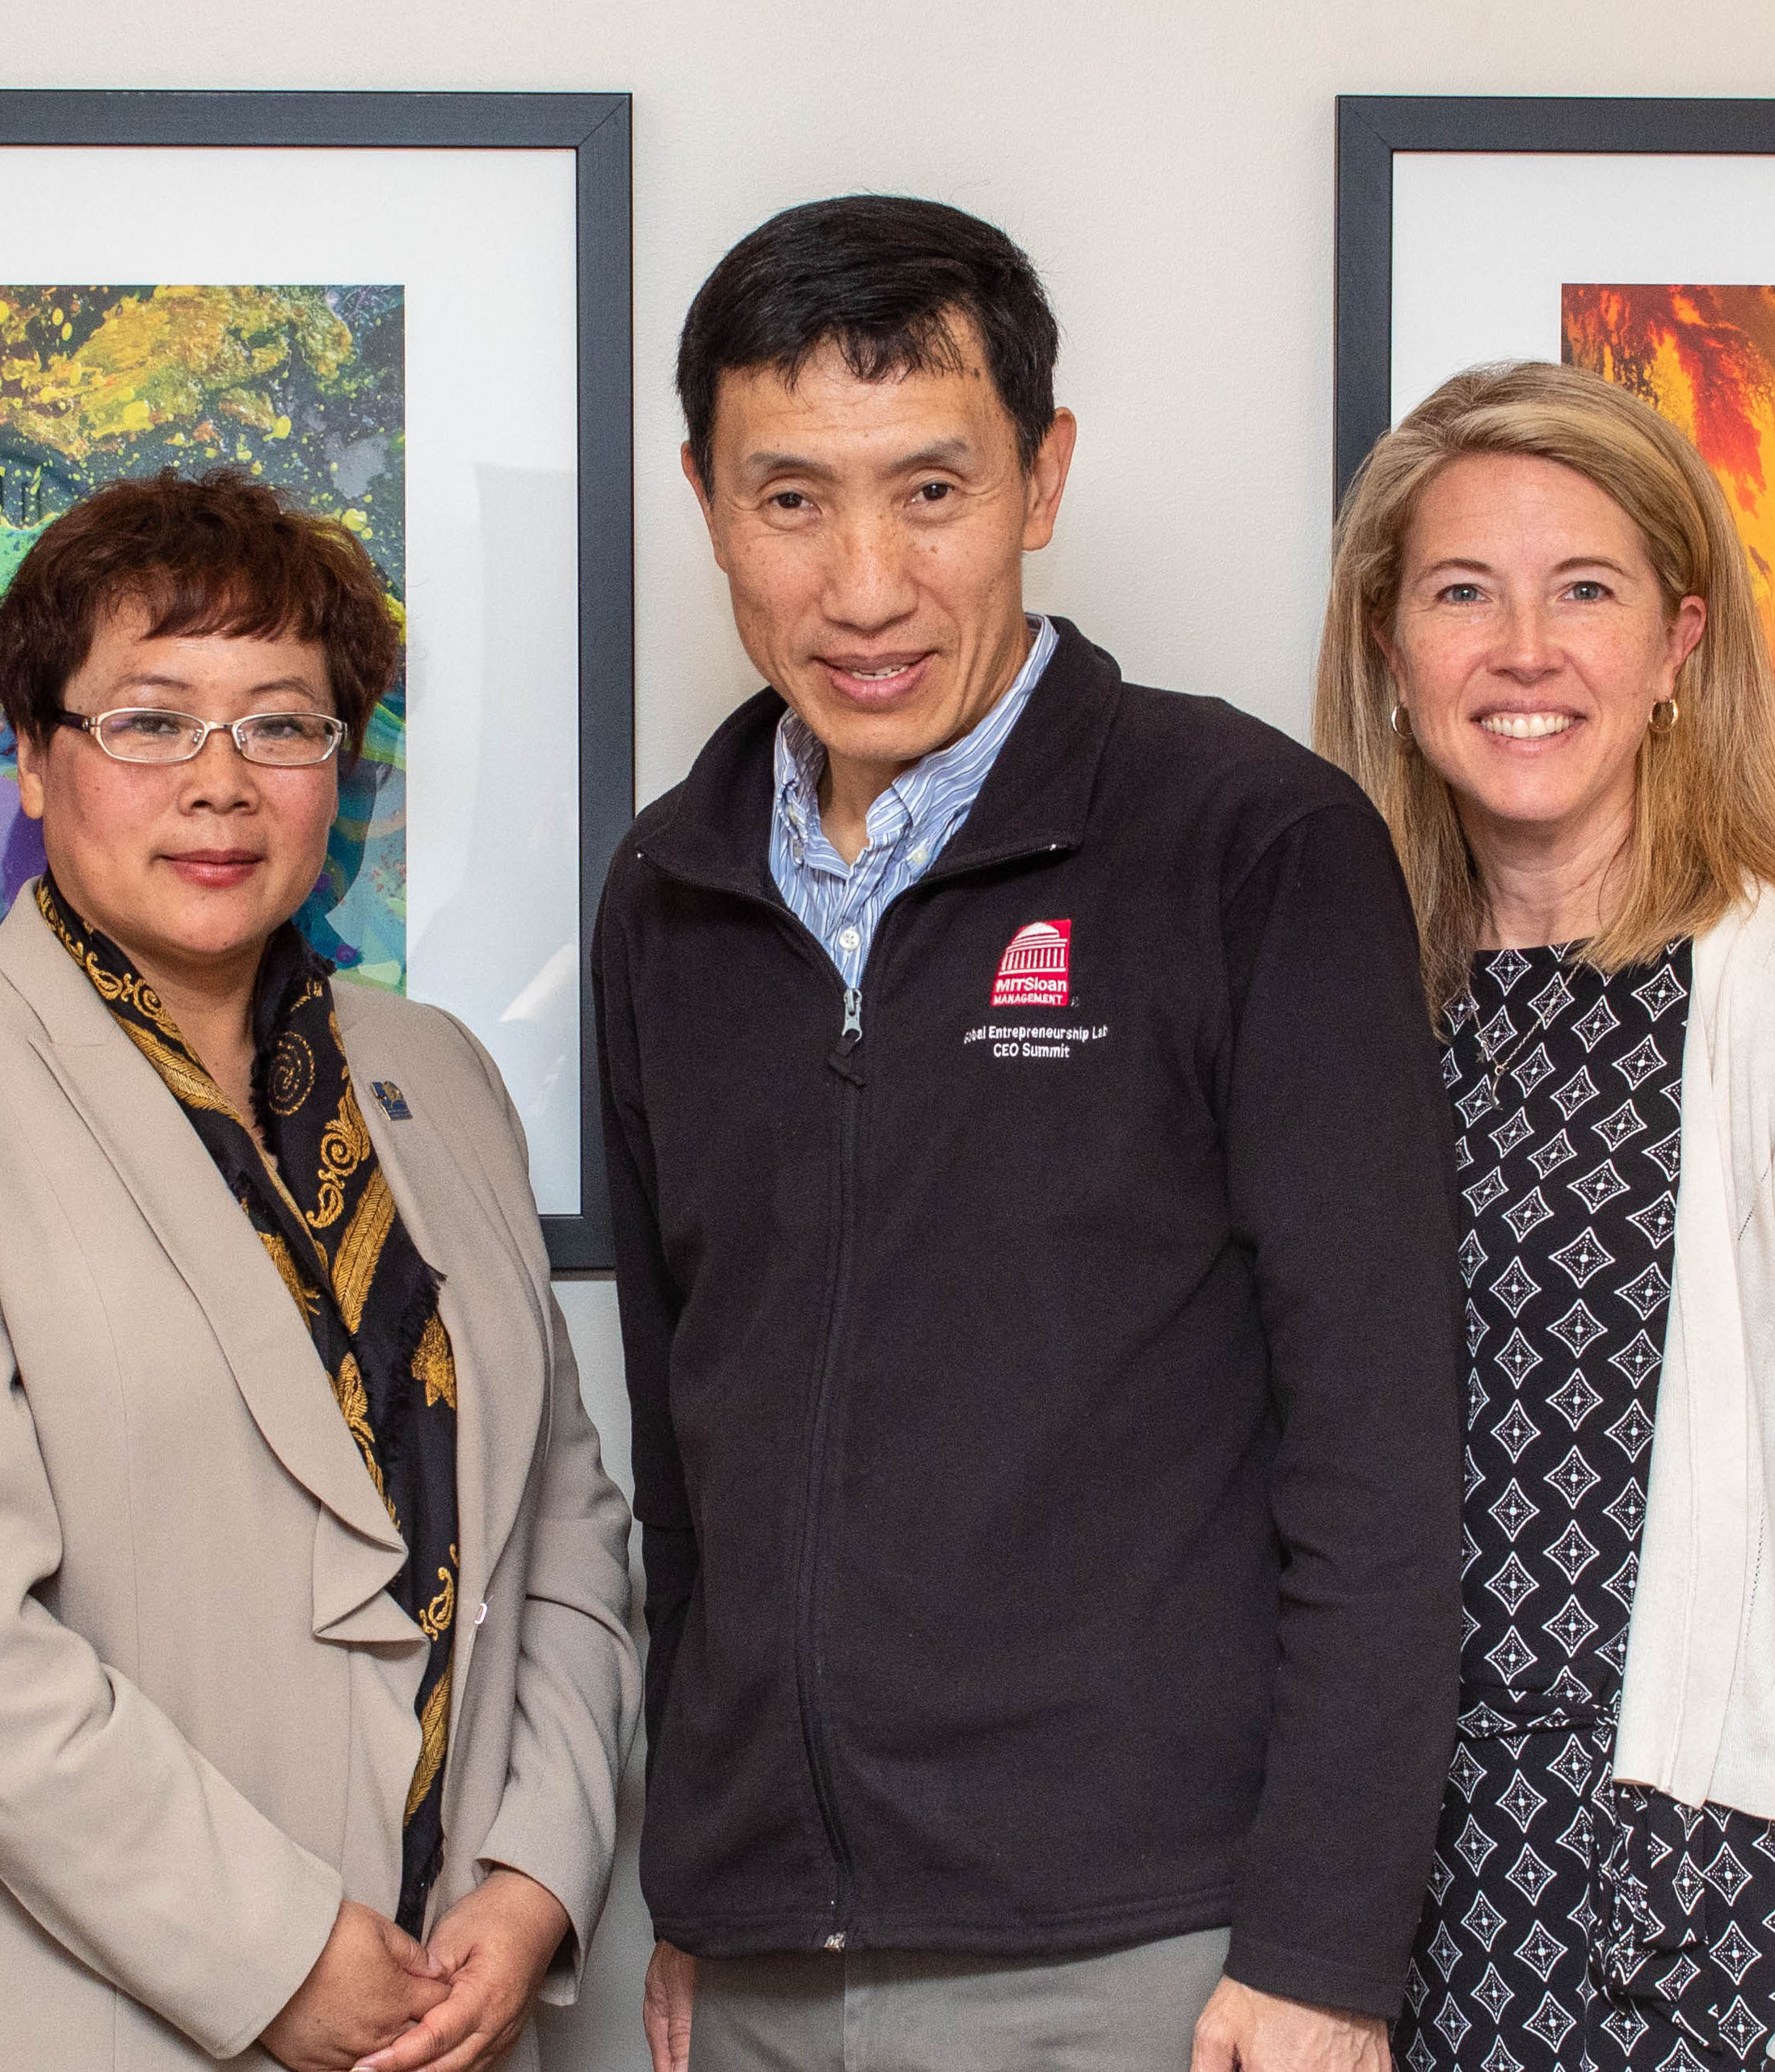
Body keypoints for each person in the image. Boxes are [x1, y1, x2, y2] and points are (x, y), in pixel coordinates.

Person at [599, 195, 1463, 2072]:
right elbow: (686, 1439)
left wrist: (1326, 1947)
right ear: (703, 496)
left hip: (1140, 1951)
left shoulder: (1253, 845)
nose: (863, 586)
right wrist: (697, 1870)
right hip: (757, 1954)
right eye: (789, 497)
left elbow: (1382, 1453)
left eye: (931, 488)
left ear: (1042, 475)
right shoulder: (667, 885)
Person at [0, 467, 636, 2072]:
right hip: (44, 2018)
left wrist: (533, 1874)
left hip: (445, 2009)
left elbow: (564, 1517)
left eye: (282, 723)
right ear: (31, 755)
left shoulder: (438, 1073)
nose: (220, 784)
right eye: (150, 721)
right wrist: (280, 1952)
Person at [1311, 359, 1775, 2072]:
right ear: (1392, 652)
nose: (1522, 647)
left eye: (1586, 589)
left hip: (1693, 1909)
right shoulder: (1329, 1006)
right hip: (1368, 1904)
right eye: (1462, 591)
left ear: (1679, 647)